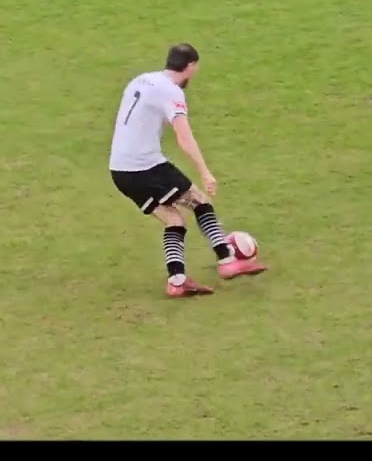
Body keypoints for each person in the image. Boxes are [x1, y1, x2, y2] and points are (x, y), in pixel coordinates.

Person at [107, 43, 267, 297]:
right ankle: (227, 261)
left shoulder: (141, 79)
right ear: (190, 66)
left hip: (119, 170)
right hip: (145, 166)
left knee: (174, 219)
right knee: (201, 202)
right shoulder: (171, 92)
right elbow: (184, 137)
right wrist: (205, 172)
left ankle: (177, 281)